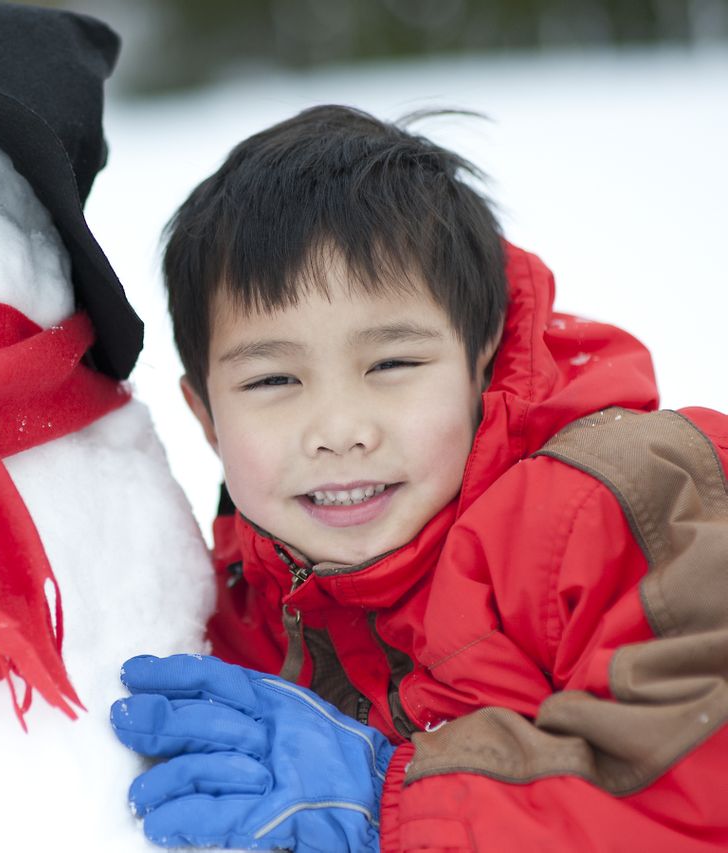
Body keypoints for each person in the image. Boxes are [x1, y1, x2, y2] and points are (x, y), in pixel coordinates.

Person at [109, 105, 728, 851]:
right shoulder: (240, 608)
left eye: (393, 364)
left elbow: (701, 779)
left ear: (481, 355)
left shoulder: (615, 509)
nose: (339, 431)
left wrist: (394, 798)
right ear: (206, 415)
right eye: (274, 379)